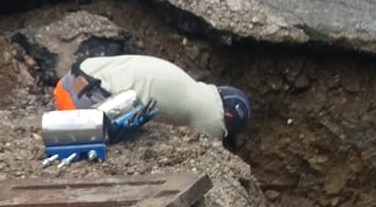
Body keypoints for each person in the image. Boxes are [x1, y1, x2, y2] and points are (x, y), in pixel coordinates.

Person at [53, 53, 250, 143]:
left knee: (139, 111)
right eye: (229, 129)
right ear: (228, 116)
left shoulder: (200, 90)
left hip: (71, 81)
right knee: (125, 133)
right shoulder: (213, 116)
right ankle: (71, 130)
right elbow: (213, 152)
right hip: (80, 104)